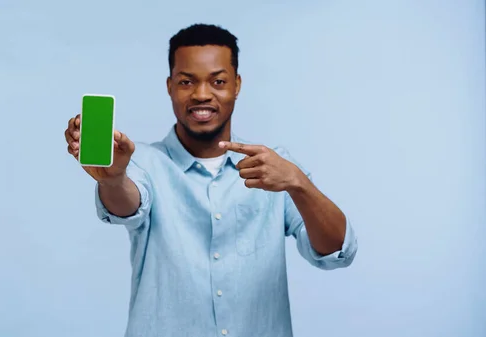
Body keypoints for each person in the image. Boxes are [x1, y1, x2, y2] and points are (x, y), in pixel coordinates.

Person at [65, 23, 358, 337]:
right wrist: (113, 179)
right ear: (169, 86)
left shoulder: (275, 167)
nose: (201, 94)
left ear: (237, 84)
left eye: (217, 81)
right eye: (186, 81)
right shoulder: (142, 162)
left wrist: (299, 184)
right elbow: (128, 203)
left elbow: (336, 252)